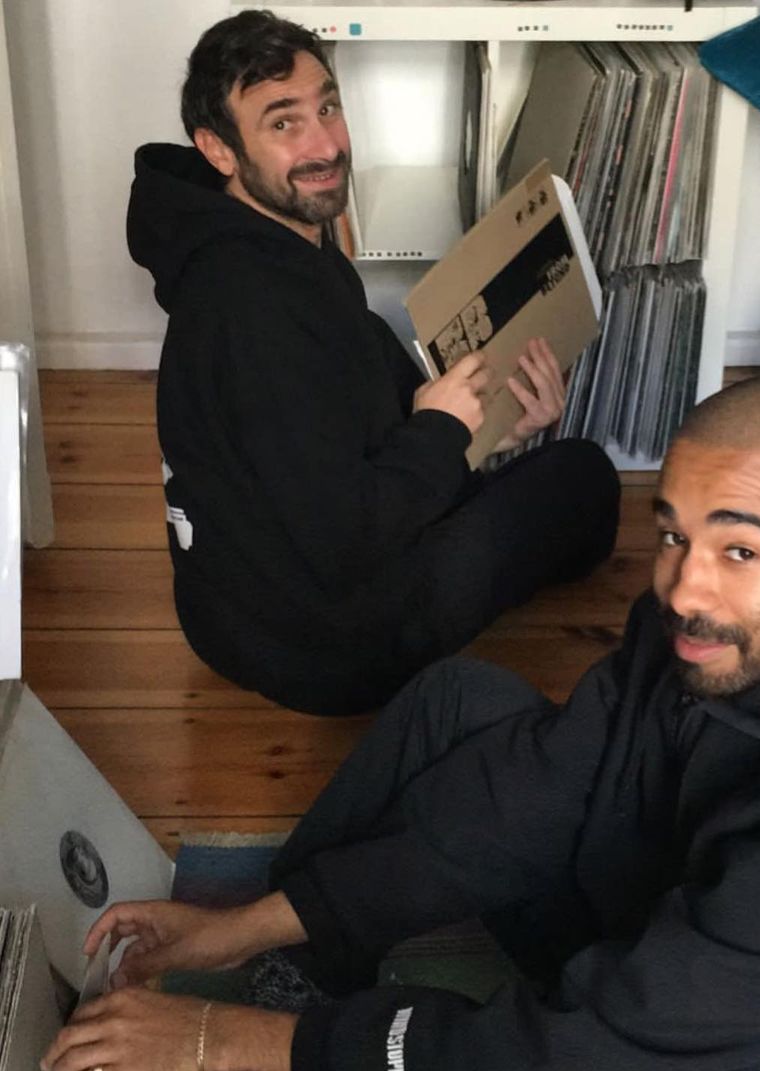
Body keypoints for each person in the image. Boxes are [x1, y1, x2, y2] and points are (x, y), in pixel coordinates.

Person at [42, 375, 760, 1071]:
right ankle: (298, 969)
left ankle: (298, 1037)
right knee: (460, 705)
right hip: (678, 922)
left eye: (740, 550)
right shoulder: (707, 634)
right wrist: (248, 924)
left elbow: (569, 1052)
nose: (685, 588)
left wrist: (220, 1043)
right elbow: (535, 789)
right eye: (674, 535)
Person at [127, 10, 619, 715]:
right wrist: (447, 436)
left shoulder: (262, 242)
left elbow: (354, 425)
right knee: (584, 478)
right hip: (324, 650)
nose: (326, 144)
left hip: (231, 611)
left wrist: (490, 430)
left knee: (521, 473)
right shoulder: (254, 314)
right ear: (219, 149)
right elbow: (346, 541)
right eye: (284, 122)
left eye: (327, 107)